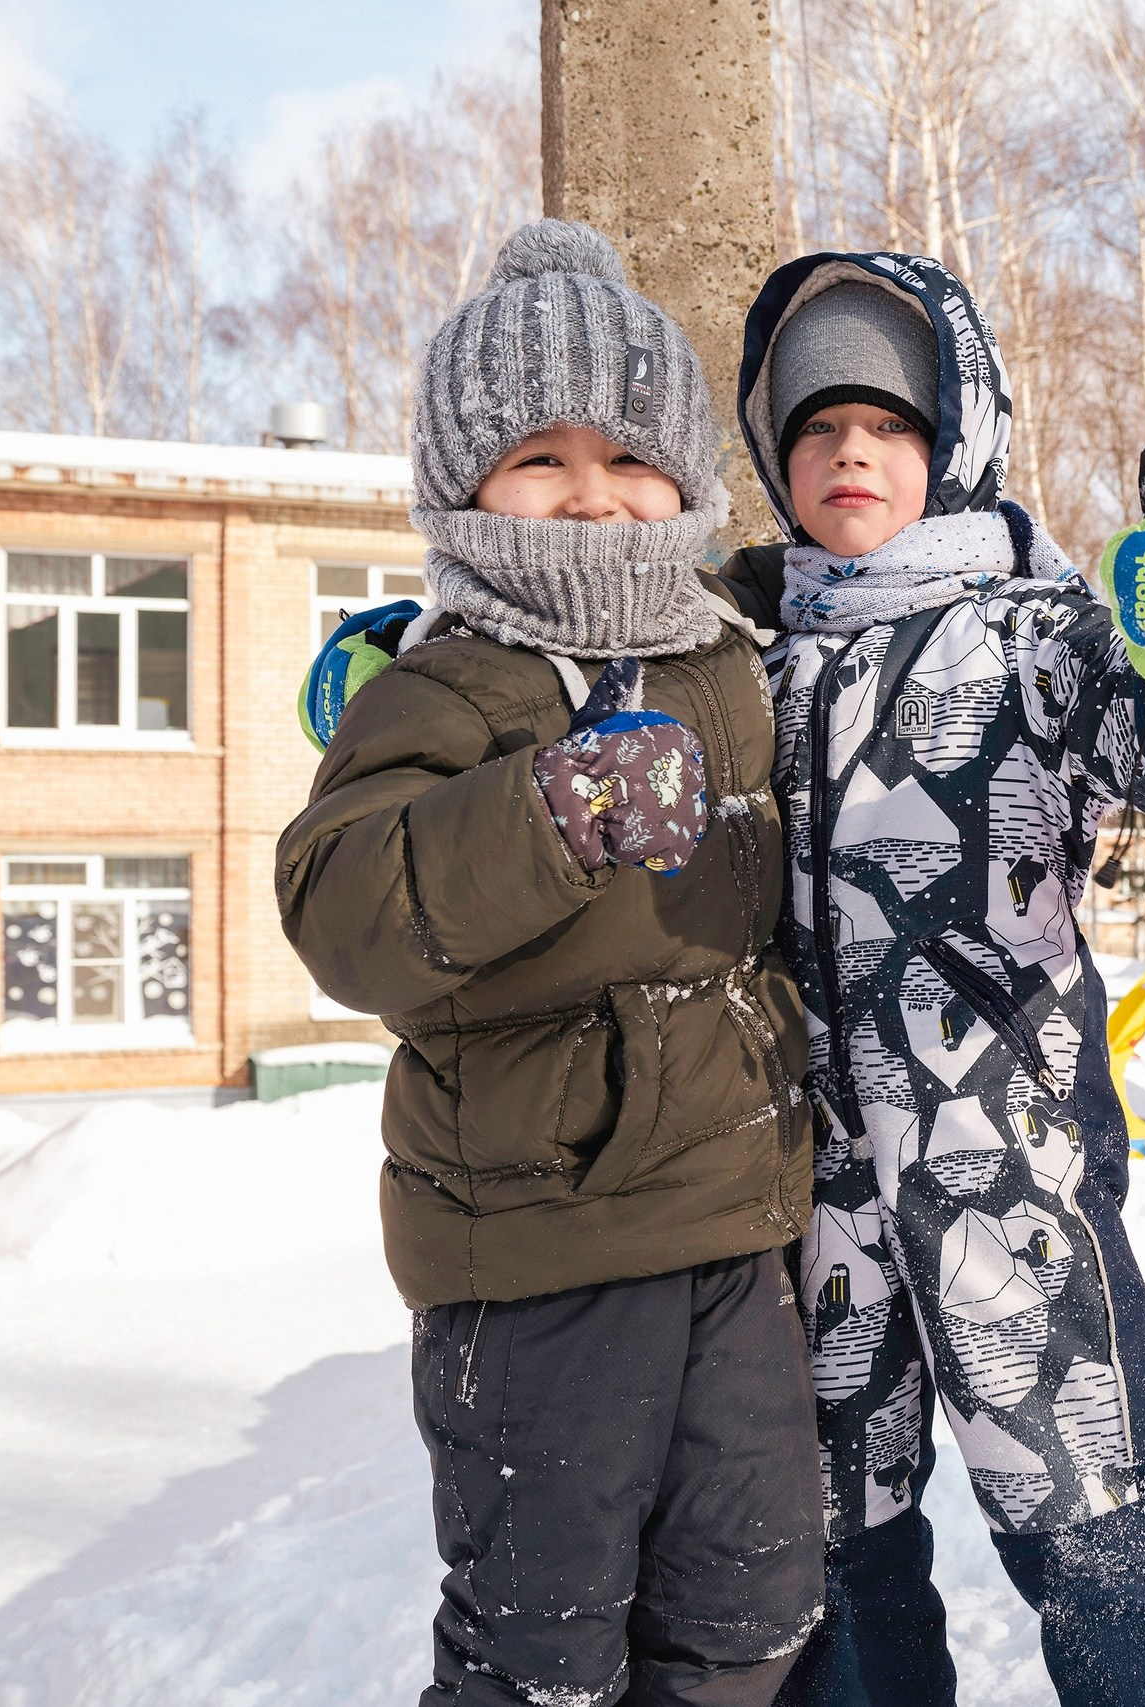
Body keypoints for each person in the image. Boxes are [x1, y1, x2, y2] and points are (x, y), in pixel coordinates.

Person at [713, 249, 1145, 1707]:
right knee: (828, 1568)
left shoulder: (1028, 632)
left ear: (956, 443)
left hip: (1010, 1179)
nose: (850, 450)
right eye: (816, 429)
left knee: (1111, 1544)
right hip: (807, 1205)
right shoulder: (744, 656)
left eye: (887, 425)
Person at [277, 219, 822, 1706]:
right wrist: (549, 810)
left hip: (734, 1228)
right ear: (465, 486)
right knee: (546, 1645)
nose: (592, 498)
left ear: (689, 480)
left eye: (630, 457)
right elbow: (344, 909)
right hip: (539, 1255)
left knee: (756, 1606)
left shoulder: (732, 655)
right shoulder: (442, 682)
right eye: (540, 459)